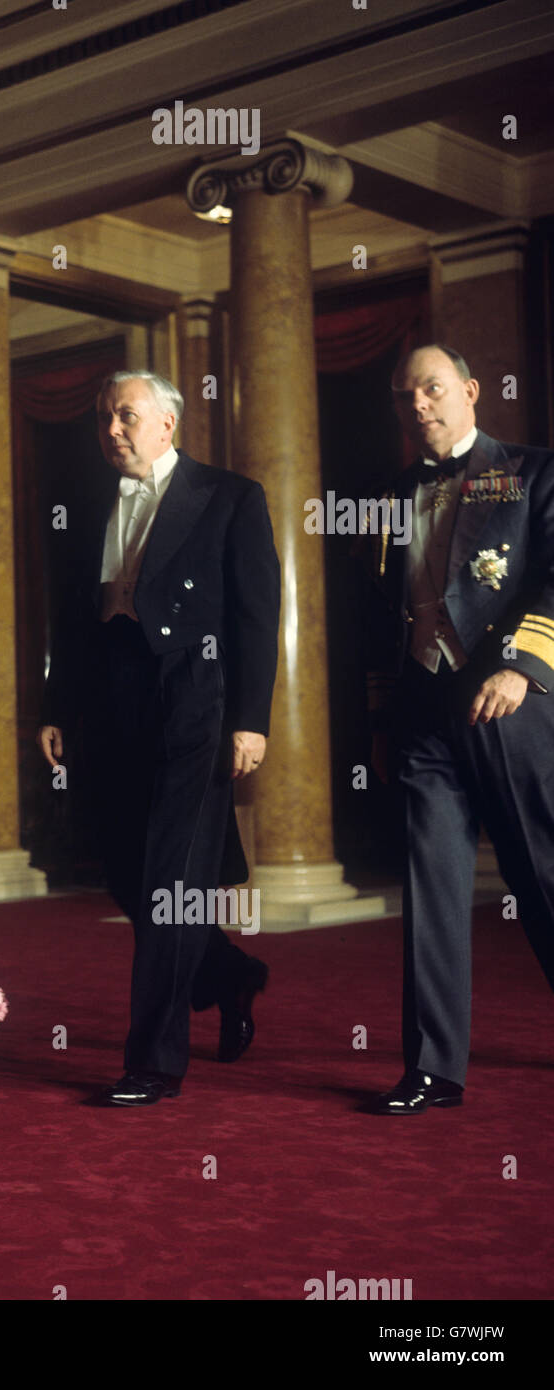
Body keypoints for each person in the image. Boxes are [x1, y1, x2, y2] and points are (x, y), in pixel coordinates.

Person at [38, 370, 280, 1106]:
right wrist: (55, 706)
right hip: (110, 701)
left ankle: (152, 1061)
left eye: (127, 416)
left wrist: (249, 719)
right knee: (121, 869)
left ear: (167, 423)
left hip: (192, 699)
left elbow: (255, 616)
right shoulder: (84, 504)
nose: (112, 429)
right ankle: (227, 974)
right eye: (105, 418)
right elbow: (69, 619)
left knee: (172, 880)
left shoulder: (229, 496)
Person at [366, 344, 554, 1114]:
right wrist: (382, 716)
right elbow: (378, 616)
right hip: (423, 714)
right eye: (405, 396)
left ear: (471, 391)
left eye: (433, 389)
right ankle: (433, 1069)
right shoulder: (390, 494)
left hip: (505, 704)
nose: (418, 406)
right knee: (430, 888)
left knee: (540, 876)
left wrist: (524, 667)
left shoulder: (535, 471)